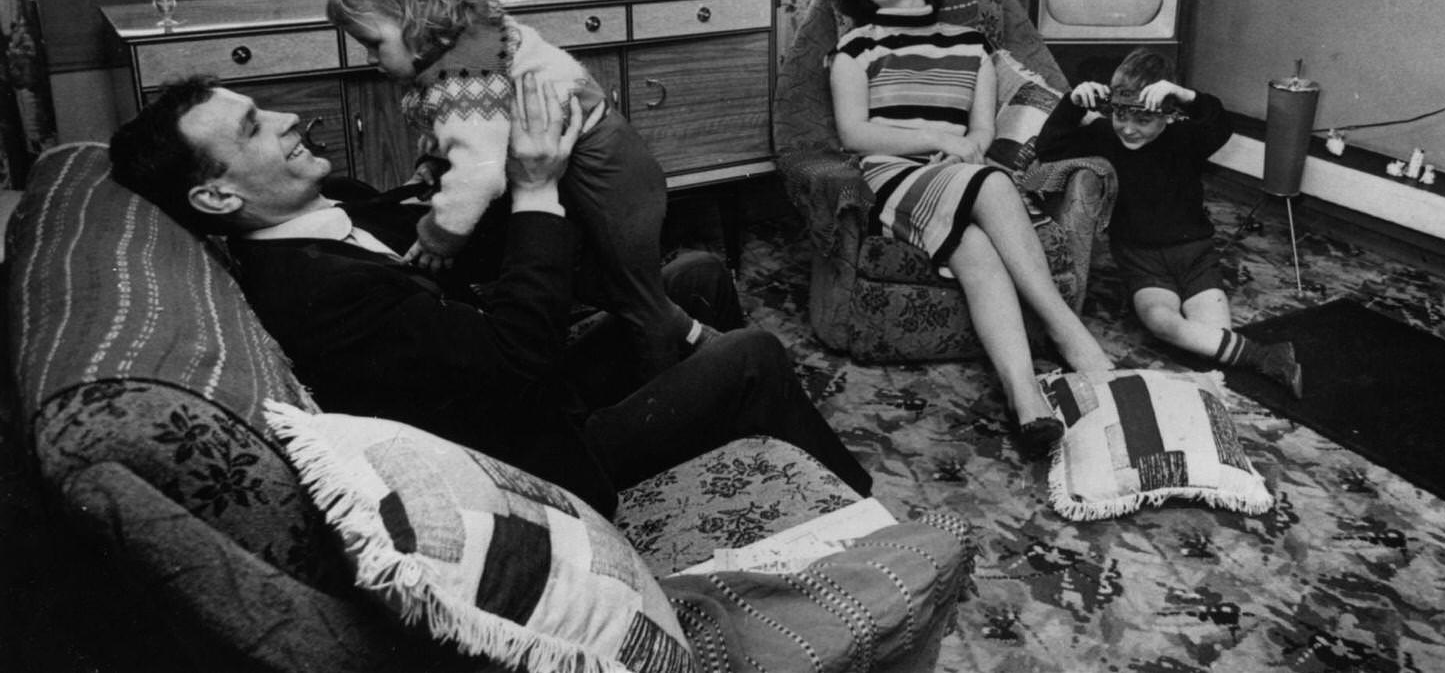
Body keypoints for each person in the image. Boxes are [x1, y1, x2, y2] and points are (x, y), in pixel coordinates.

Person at [107, 74, 873, 517]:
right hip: (540, 463)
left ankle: (765, 471)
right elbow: (518, 359)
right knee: (750, 356)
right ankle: (866, 513)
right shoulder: (311, 293)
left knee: (697, 275)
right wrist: (537, 192)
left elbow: (461, 245)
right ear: (214, 198)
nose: (287, 119)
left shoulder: (329, 203)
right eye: (253, 128)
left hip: (527, 393)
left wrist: (483, 164)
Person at [325, 0, 697, 378]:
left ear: (419, 20)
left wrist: (440, 236)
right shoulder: (468, 39)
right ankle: (695, 339)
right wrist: (435, 158)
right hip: (592, 159)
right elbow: (469, 132)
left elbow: (481, 173)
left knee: (638, 299)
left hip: (607, 169)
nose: (367, 58)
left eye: (372, 43)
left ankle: (670, 387)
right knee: (613, 284)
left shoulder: (465, 78)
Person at [828, 0, 1116, 459]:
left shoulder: (972, 46)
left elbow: (982, 131)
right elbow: (854, 134)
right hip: (893, 172)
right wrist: (940, 137)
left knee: (977, 250)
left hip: (960, 170)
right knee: (987, 181)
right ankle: (1068, 332)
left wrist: (966, 145)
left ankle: (1026, 401)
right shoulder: (854, 47)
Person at [1034, 47, 1304, 397]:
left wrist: (1187, 97)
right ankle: (1265, 356)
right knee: (1164, 323)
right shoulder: (1103, 135)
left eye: (1143, 120)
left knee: (1210, 341)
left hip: (1195, 257)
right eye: (1120, 116)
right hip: (1143, 264)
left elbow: (1221, 124)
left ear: (1170, 114)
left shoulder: (1187, 138)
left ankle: (1260, 356)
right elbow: (1048, 148)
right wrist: (1072, 103)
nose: (1129, 129)